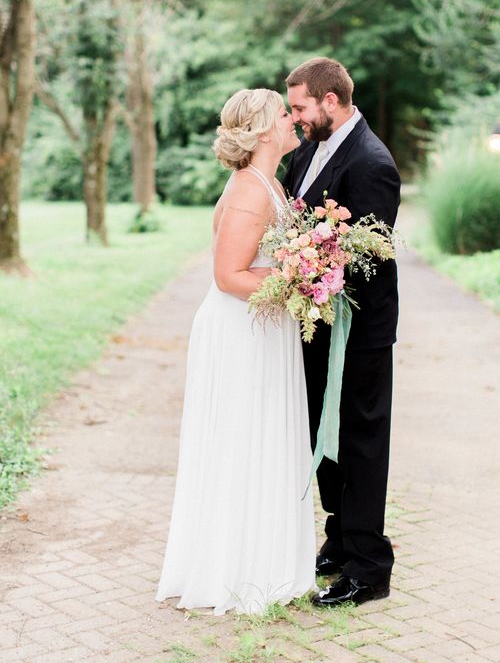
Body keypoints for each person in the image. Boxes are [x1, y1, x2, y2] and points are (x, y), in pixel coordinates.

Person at [156, 88, 316, 615]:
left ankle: (257, 559)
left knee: (261, 436)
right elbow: (228, 276)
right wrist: (298, 281)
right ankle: (235, 568)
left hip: (264, 328)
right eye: (285, 113)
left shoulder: (269, 182)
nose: (294, 119)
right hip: (242, 329)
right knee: (242, 437)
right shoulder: (250, 190)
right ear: (265, 130)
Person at [283, 57, 401, 607]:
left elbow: (366, 257)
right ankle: (340, 536)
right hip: (317, 322)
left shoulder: (372, 161)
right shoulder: (311, 148)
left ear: (331, 101)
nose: (296, 117)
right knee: (323, 435)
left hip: (360, 328)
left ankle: (369, 566)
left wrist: (305, 264)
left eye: (301, 107)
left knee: (359, 439)